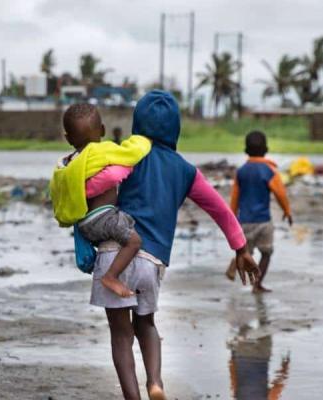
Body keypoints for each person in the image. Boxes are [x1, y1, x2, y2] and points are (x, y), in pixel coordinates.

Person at [77, 90, 259, 400]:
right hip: (152, 260)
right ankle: (156, 383)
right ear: (175, 129)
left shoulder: (127, 154)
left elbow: (92, 189)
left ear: (137, 124)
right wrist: (240, 248)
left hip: (114, 252)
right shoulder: (186, 170)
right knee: (146, 323)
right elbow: (219, 208)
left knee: (121, 335)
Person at [50, 103, 149, 298]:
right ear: (102, 130)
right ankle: (111, 276)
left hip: (84, 225)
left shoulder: (67, 164)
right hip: (102, 219)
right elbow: (131, 154)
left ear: (68, 138)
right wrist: (144, 140)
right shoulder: (100, 151)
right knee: (134, 242)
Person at [225, 131, 292, 293]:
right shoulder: (270, 171)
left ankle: (236, 262)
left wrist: (232, 218)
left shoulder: (241, 171)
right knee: (266, 252)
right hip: (263, 221)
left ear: (245, 151)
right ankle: (257, 284)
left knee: (245, 252)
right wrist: (287, 211)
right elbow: (280, 193)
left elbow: (235, 197)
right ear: (266, 149)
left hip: (245, 222)